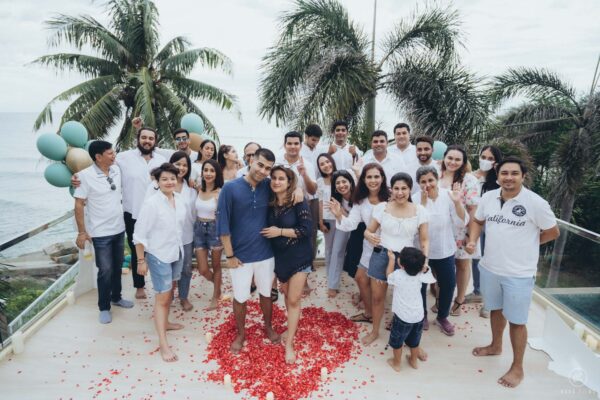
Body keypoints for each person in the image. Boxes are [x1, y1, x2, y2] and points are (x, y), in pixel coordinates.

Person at [466, 157, 559, 388]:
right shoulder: (488, 197)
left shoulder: (535, 202)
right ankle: (496, 345)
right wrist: (473, 239)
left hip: (519, 273)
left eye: (514, 173)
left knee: (517, 321)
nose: (508, 177)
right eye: (504, 173)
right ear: (497, 175)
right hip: (490, 267)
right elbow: (477, 221)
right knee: (496, 309)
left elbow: (552, 231)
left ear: (523, 176)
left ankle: (517, 367)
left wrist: (528, 244)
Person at [216, 148, 281, 353]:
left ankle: (268, 326)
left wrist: (296, 190)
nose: (263, 171)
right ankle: (241, 333)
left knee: (266, 293)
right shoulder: (230, 188)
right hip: (240, 256)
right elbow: (223, 224)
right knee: (241, 296)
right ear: (251, 160)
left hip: (265, 254)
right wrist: (230, 256)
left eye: (268, 168)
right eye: (260, 165)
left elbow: (289, 188)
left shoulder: (268, 187)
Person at [363, 173, 429, 346]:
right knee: (377, 297)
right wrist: (370, 236)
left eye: (404, 188)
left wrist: (425, 260)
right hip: (382, 254)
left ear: (410, 189)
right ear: (391, 189)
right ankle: (375, 331)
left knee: (407, 299)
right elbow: (368, 231)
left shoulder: (419, 210)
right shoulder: (382, 208)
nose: (400, 193)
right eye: (397, 188)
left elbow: (424, 240)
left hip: (407, 258)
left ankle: (410, 339)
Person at [73, 140, 133, 324]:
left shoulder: (116, 169)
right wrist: (82, 232)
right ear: (98, 157)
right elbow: (78, 205)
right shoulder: (84, 176)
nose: (113, 155)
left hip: (118, 229)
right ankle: (104, 307)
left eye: (113, 152)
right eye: (109, 153)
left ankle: (116, 296)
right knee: (105, 270)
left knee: (116, 266)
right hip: (100, 233)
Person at [133, 163, 187, 362]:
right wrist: (141, 260)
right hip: (159, 255)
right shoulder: (151, 204)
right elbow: (138, 236)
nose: (169, 182)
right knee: (162, 298)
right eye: (164, 179)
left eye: (172, 178)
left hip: (176, 252)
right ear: (157, 182)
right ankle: (163, 343)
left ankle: (166, 323)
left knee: (169, 291)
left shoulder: (180, 199)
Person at [261, 166, 313, 364]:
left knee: (293, 300)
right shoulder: (270, 202)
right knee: (286, 297)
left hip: (300, 256)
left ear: (289, 182)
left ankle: (290, 343)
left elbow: (306, 230)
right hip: (280, 258)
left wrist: (280, 231)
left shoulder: (298, 201)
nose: (276, 182)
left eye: (281, 178)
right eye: (273, 178)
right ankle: (291, 327)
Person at [331, 163, 389, 324]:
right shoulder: (360, 201)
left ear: (382, 178)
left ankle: (385, 319)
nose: (373, 180)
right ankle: (369, 313)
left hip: (388, 248)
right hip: (369, 246)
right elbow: (351, 224)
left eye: (376, 176)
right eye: (369, 177)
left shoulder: (391, 196)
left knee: (382, 288)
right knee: (360, 277)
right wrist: (338, 215)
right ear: (363, 179)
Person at [415, 166, 468, 335]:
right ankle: (421, 315)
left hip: (445, 250)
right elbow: (414, 226)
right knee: (420, 286)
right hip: (422, 252)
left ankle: (442, 317)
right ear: (418, 183)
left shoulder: (448, 196)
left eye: (430, 180)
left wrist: (457, 201)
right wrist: (422, 205)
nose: (427, 184)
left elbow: (462, 222)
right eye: (423, 182)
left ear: (437, 179)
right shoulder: (415, 198)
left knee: (448, 284)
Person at [117, 127, 167, 299]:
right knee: (136, 249)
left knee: (157, 249)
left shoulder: (161, 160)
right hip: (133, 213)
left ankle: (162, 286)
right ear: (137, 139)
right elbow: (105, 168)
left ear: (155, 141)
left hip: (157, 213)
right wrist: (78, 178)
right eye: (144, 137)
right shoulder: (123, 158)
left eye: (151, 138)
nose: (147, 141)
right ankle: (139, 286)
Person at [439, 145, 480, 316]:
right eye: (450, 158)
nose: (453, 162)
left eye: (457, 159)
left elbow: (473, 210)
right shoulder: (436, 174)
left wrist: (471, 236)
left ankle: (459, 300)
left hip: (461, 230)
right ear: (444, 158)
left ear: (463, 162)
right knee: (440, 266)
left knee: (462, 264)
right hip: (440, 230)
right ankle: (442, 299)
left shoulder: (469, 180)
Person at [465, 145, 503, 319]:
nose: (486, 161)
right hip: (474, 222)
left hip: (492, 225)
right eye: (483, 157)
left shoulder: (499, 181)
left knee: (490, 261)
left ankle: (490, 301)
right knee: (476, 258)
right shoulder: (471, 178)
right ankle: (478, 291)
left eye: (490, 158)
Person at [386, 247, 435, 372]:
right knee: (414, 341)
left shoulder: (398, 275)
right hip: (418, 316)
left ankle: (397, 363)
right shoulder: (421, 275)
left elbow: (388, 276)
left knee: (397, 341)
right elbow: (430, 277)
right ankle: (413, 361)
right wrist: (425, 268)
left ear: (401, 265)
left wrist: (391, 260)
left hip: (402, 317)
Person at [167, 151, 197, 312]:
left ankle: (183, 296)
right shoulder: (162, 185)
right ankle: (168, 295)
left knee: (186, 268)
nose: (181, 167)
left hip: (186, 235)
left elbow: (194, 214)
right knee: (169, 266)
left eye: (185, 165)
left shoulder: (191, 190)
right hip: (166, 236)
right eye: (178, 163)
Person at [194, 159, 224, 310]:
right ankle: (218, 286)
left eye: (212, 171)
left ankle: (215, 297)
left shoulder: (221, 192)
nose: (208, 173)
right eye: (206, 170)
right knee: (203, 269)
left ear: (217, 173)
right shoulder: (198, 189)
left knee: (216, 266)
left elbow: (226, 214)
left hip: (215, 229)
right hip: (199, 229)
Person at [324, 170, 356, 298]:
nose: (341, 185)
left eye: (344, 181)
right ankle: (331, 282)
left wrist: (341, 211)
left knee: (338, 251)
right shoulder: (335, 198)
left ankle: (333, 283)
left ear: (351, 182)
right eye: (338, 183)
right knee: (331, 250)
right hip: (338, 221)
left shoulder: (358, 197)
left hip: (353, 226)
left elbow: (353, 220)